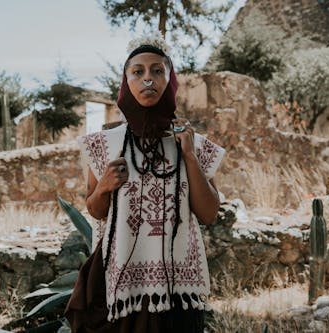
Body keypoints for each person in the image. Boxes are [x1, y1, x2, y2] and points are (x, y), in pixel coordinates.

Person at [65, 32, 225, 333]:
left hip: (176, 294)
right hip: (121, 287)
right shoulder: (104, 144)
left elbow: (209, 214)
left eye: (157, 71)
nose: (147, 79)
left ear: (170, 80)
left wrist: (189, 156)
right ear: (127, 82)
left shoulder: (195, 144)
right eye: (138, 72)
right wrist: (104, 186)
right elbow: (96, 211)